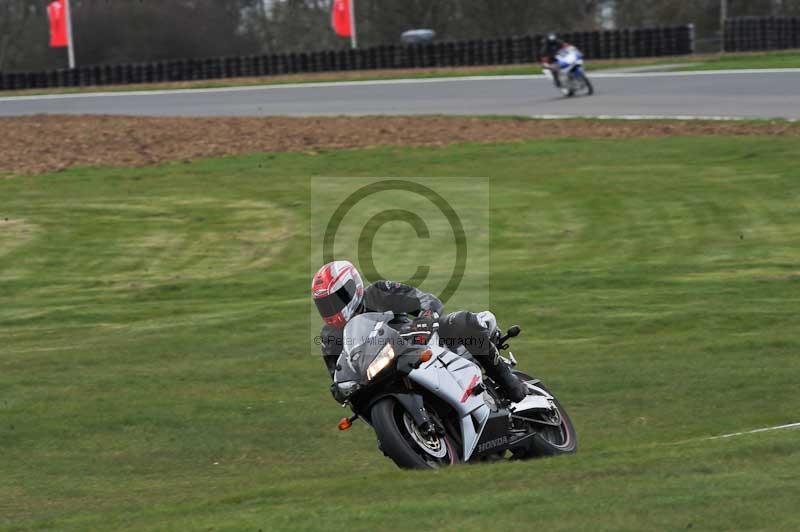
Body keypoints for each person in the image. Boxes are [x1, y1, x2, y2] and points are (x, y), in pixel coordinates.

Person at [312, 260, 528, 403]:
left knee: (463, 322)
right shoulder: (329, 337)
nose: (331, 308)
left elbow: (426, 301)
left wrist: (424, 319)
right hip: (379, 374)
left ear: (353, 287)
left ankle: (509, 383)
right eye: (325, 304)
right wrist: (340, 390)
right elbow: (339, 376)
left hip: (418, 342)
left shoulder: (378, 292)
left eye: (336, 299)